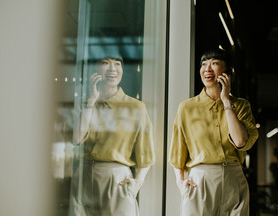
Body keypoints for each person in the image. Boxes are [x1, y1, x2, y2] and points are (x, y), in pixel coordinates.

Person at [168, 48, 259, 216]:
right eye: (204, 64)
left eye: (214, 63)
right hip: (200, 179)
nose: (207, 69)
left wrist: (226, 101)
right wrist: (181, 182)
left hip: (233, 178)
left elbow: (240, 141)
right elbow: (177, 152)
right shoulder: (187, 108)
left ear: (227, 72)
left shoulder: (241, 106)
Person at [74, 55, 155, 216]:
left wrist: (137, 184)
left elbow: (146, 154)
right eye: (105, 63)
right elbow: (76, 138)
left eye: (117, 64)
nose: (112, 68)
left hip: (117, 180)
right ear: (94, 70)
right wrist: (91, 101)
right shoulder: (85, 105)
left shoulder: (135, 107)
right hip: (83, 178)